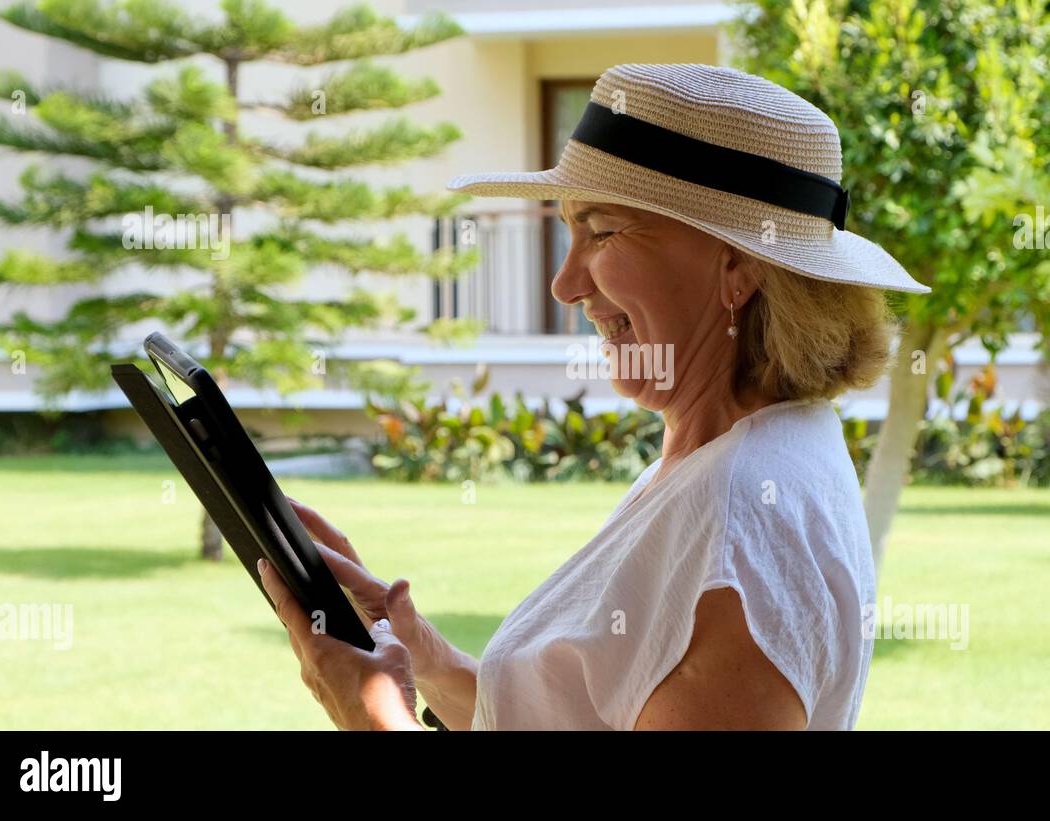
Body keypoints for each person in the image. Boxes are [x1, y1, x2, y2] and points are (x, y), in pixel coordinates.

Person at [258, 63, 930, 730]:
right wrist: (418, 653)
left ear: (737, 266)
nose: (565, 283)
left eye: (603, 231)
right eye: (568, 231)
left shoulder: (743, 519)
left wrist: (370, 713)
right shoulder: (722, 464)